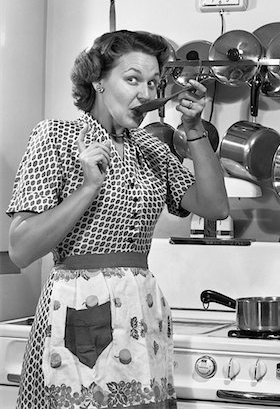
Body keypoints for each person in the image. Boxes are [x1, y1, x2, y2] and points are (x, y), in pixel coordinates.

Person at [7, 30, 229, 409]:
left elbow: (214, 206)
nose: (145, 94)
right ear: (98, 81)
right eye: (132, 79)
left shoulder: (151, 149)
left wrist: (194, 133)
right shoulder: (57, 137)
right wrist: (88, 188)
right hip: (78, 317)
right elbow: (21, 249)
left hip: (142, 318)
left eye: (153, 83)